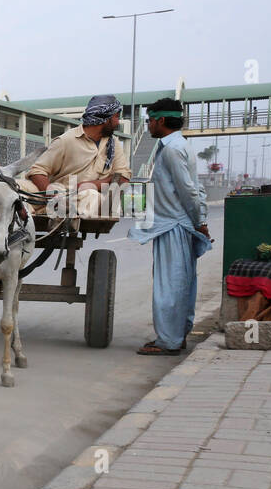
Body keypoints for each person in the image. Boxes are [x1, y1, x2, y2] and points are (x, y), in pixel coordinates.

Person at [128, 98, 210, 355]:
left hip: (173, 226)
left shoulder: (173, 149)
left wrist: (201, 222)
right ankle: (177, 336)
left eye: (150, 120)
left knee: (169, 288)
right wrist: (199, 221)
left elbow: (188, 191)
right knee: (182, 285)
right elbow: (196, 188)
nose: (149, 125)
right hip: (177, 224)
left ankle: (169, 341)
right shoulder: (179, 145)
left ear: (161, 120)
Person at [17, 93, 131, 226]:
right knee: (16, 187)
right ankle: (26, 221)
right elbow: (37, 171)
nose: (118, 122)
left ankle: (63, 218)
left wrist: (87, 185)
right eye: (116, 117)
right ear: (105, 119)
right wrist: (52, 196)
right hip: (59, 192)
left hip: (89, 198)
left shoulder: (114, 144)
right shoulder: (66, 140)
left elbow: (122, 178)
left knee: (90, 195)